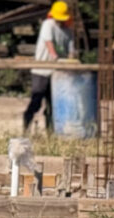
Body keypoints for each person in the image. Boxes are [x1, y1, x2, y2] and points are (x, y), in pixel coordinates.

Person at [24, 1, 76, 133]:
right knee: (37, 100)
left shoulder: (68, 30)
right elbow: (49, 42)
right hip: (42, 70)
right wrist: (54, 57)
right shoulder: (48, 25)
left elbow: (71, 50)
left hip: (57, 73)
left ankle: (51, 131)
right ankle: (26, 127)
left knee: (53, 104)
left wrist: (71, 61)